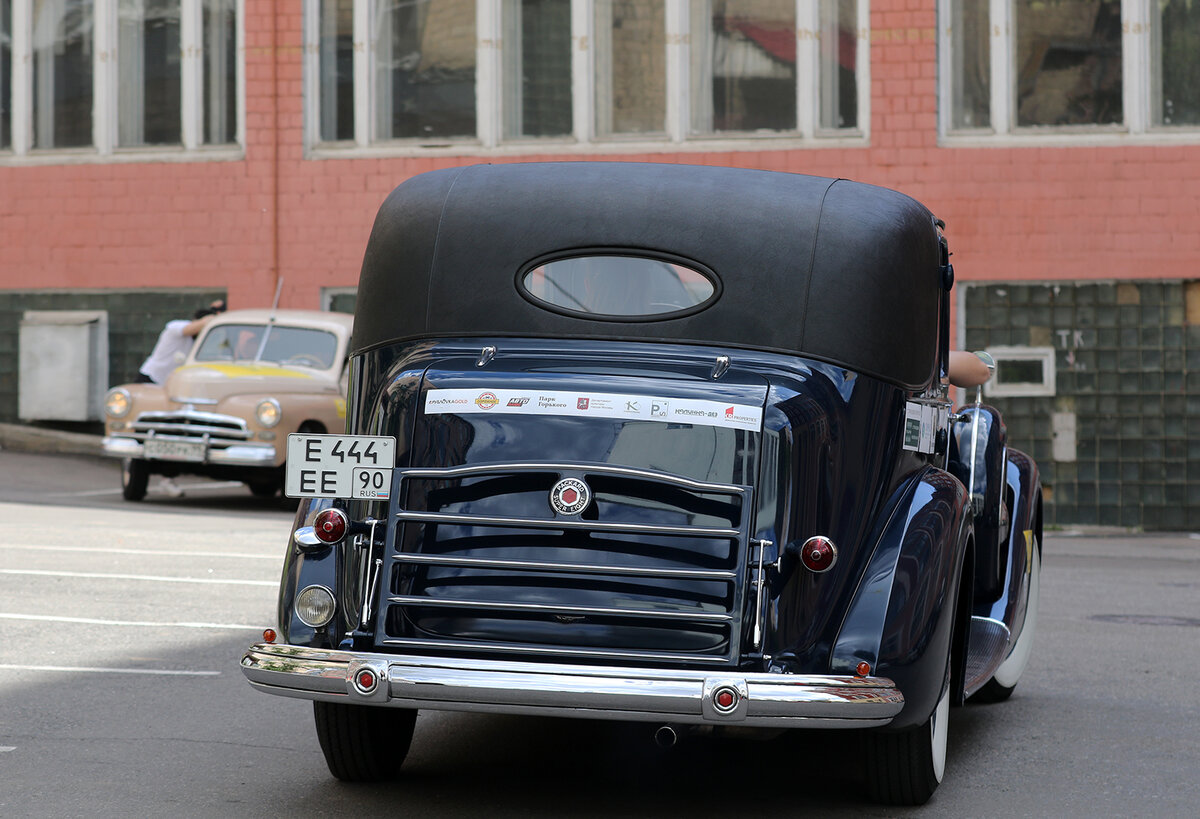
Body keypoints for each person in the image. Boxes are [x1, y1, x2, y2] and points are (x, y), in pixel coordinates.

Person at [133, 299, 226, 497]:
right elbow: (195, 326)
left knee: (171, 431)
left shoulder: (200, 347)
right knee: (141, 429)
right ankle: (134, 473)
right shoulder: (175, 328)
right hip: (151, 381)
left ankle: (167, 478)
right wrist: (218, 316)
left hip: (174, 391)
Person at [136, 299, 226, 384]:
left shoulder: (199, 341)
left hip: (169, 383)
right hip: (151, 377)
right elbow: (191, 328)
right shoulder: (176, 327)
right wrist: (215, 317)